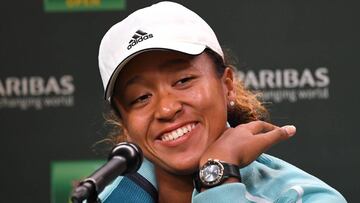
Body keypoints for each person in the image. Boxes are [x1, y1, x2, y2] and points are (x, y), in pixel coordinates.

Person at [96, 1, 346, 202]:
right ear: (125, 122)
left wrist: (218, 176)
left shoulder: (304, 197)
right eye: (141, 97)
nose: (167, 108)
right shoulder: (99, 198)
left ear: (227, 86)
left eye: (183, 80)